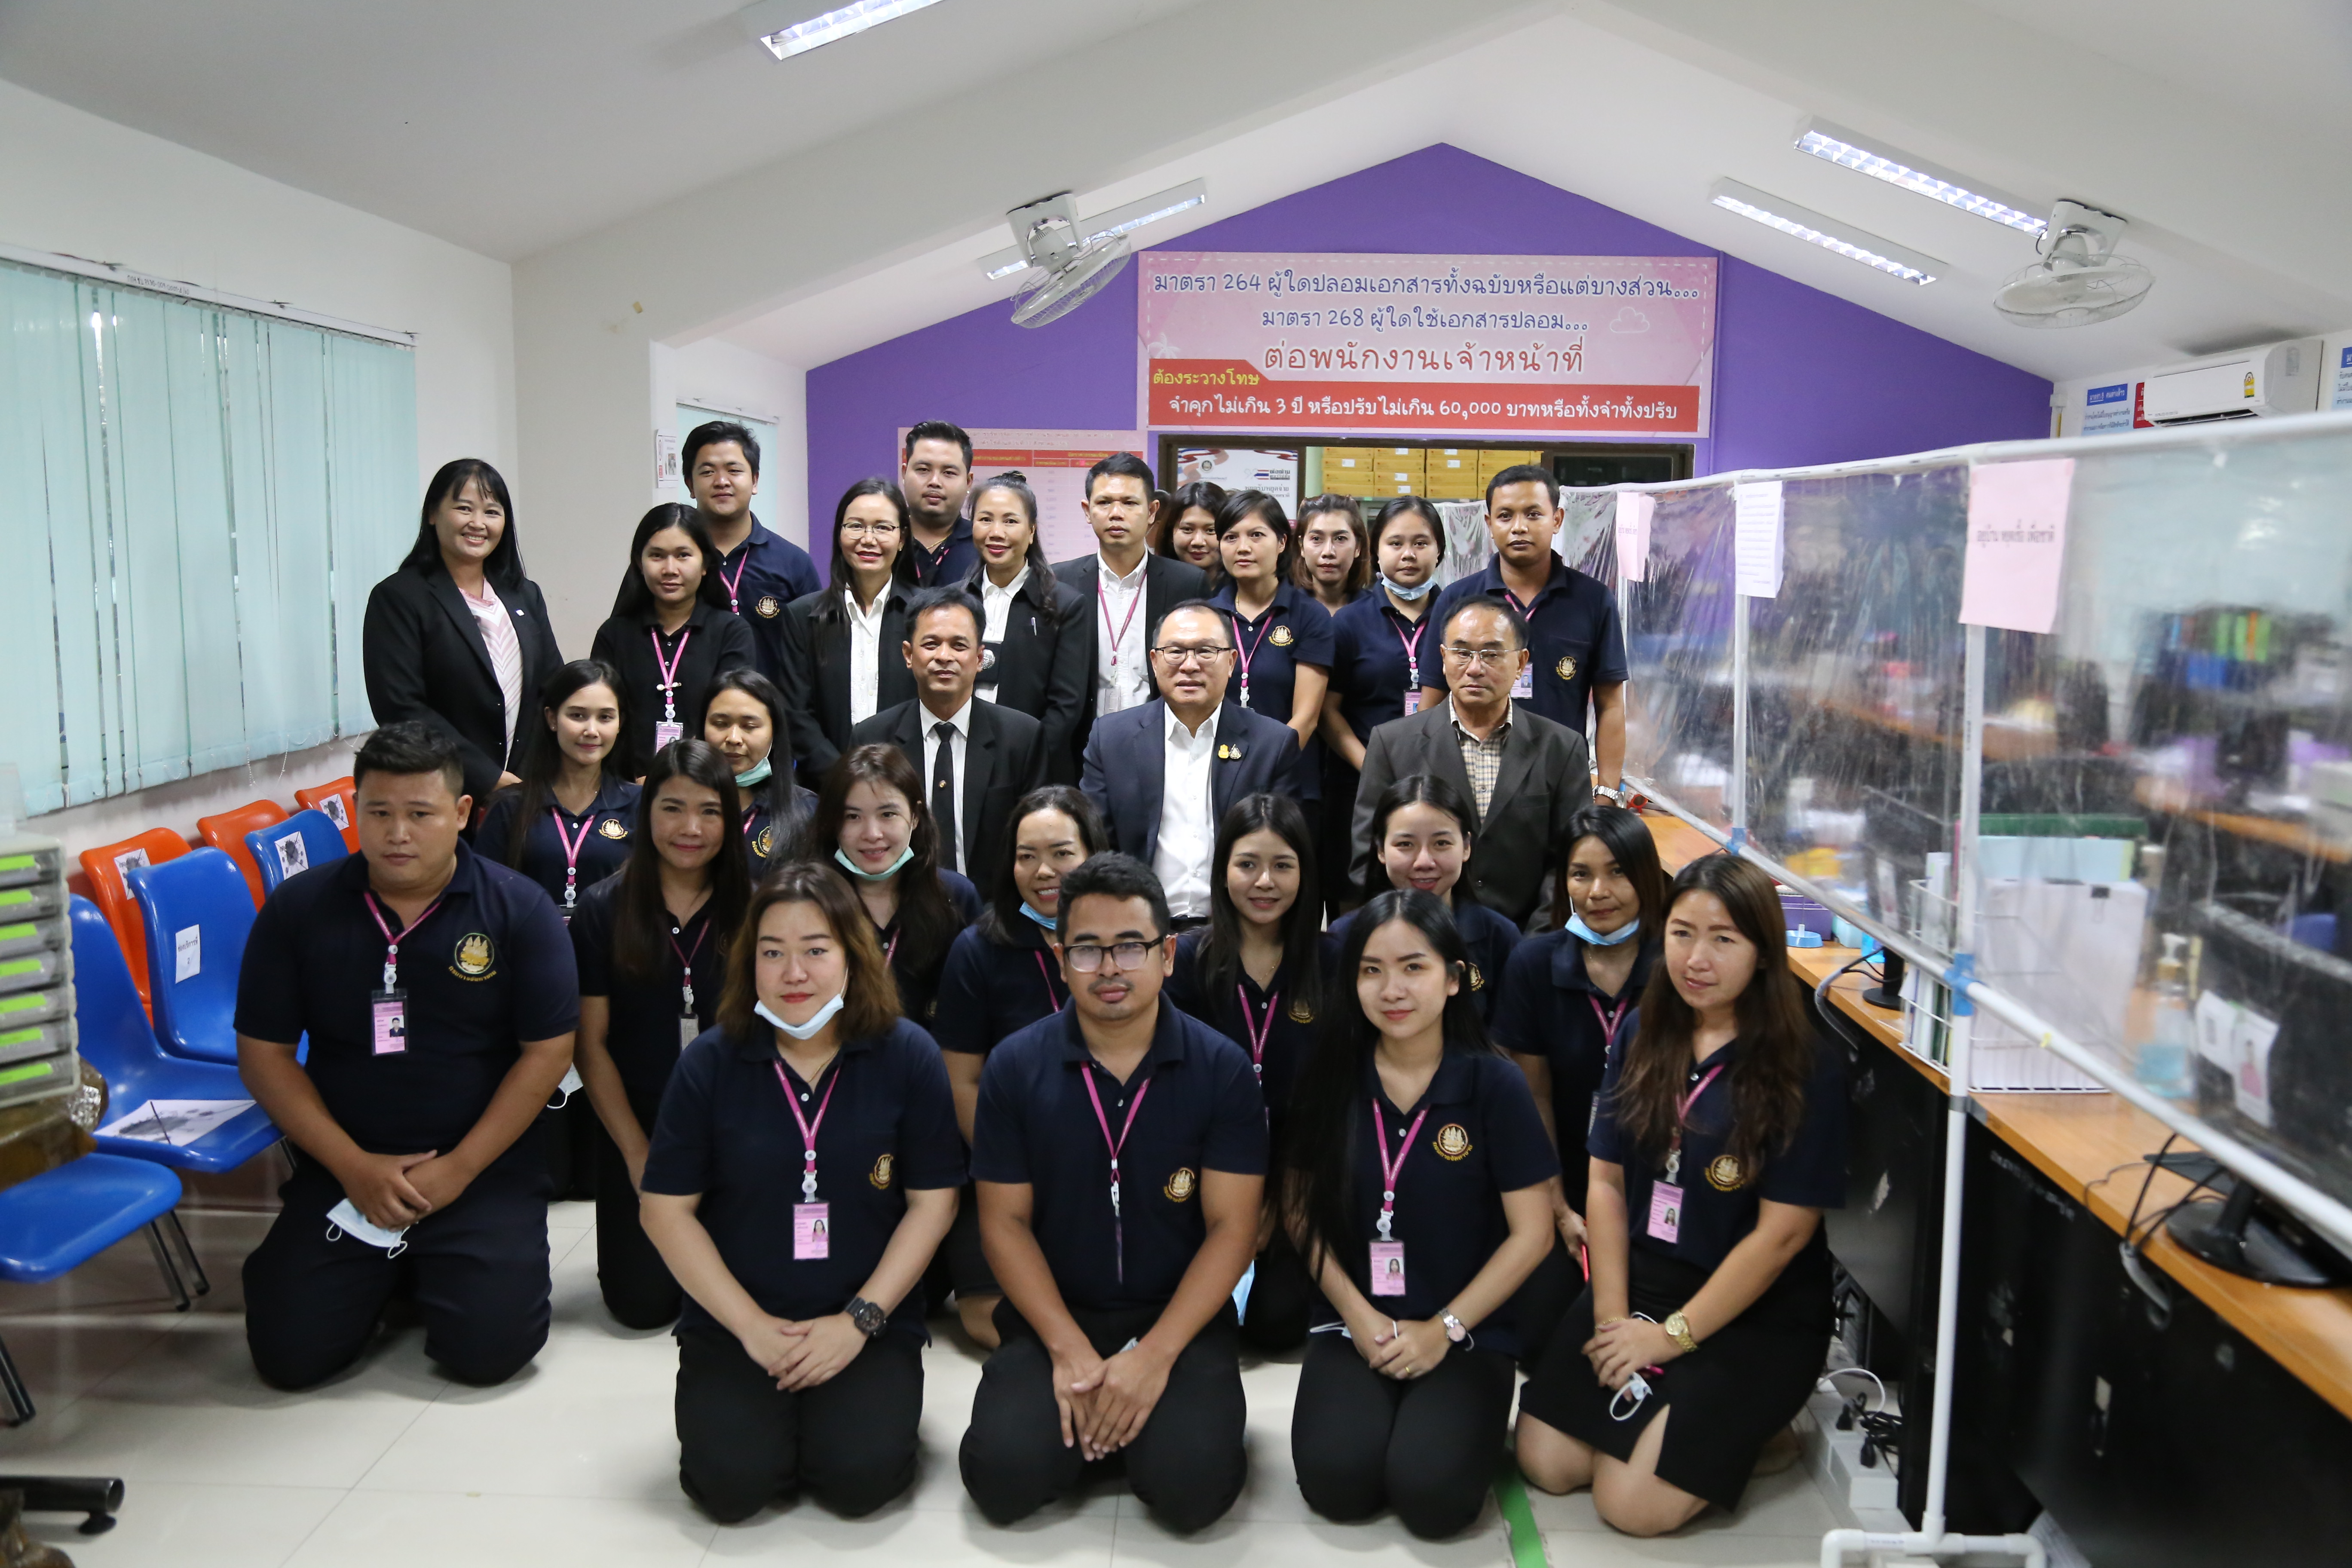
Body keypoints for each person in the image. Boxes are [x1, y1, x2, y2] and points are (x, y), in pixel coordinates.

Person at [233, 722, 577, 1389]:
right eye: (379, 813)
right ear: (356, 810)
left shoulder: (518, 909)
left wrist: (460, 1169)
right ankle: (394, 1268)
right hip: (347, 1166)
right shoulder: (300, 909)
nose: (397, 834)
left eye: (420, 814)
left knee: (489, 1354)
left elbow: (547, 1053)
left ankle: (421, 1267)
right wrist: (353, 1166)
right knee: (289, 1357)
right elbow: (264, 1055)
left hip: (481, 1168)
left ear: (462, 812)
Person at [1515, 856, 1849, 1537]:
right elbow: (1605, 1183)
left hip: (1755, 1310)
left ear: (1763, 953)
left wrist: (1670, 1337)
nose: (1697, 959)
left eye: (1724, 939)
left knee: (1629, 1507)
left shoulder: (1806, 1064)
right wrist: (1613, 1319)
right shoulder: (1643, 1031)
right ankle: (1676, 1426)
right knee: (1548, 1463)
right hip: (1645, 1279)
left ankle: (1764, 1432)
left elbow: (1782, 1237)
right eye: (1682, 933)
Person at [640, 862, 963, 1522]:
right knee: (730, 1489)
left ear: (853, 955)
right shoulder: (710, 1062)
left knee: (859, 1483)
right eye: (772, 953)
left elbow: (934, 1203)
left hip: (866, 1314)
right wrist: (752, 1328)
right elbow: (665, 1211)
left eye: (816, 951)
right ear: (748, 962)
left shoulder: (908, 1055)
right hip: (740, 1317)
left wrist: (859, 1321)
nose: (794, 973)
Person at [959, 854, 1265, 1531]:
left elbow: (1233, 1231)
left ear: (1168, 954)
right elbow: (1004, 1224)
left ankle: (1130, 1429)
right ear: (1058, 957)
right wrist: (1068, 1350)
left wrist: (1153, 1358)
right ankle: (1106, 1427)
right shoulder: (1014, 1067)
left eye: (1131, 946)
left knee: (1192, 1493)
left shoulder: (1222, 1070)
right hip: (1057, 1313)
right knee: (1001, 1480)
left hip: (1177, 1318)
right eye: (1087, 949)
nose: (1109, 969)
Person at [1283, 889, 1557, 1538]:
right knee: (1337, 1485)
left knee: (1433, 1499)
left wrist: (1444, 1328)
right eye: (1371, 970)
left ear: (1454, 978)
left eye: (1414, 967)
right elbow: (1298, 1210)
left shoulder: (1495, 1083)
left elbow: (1533, 1233)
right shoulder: (1329, 1073)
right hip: (1355, 1322)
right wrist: (1356, 1315)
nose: (1392, 990)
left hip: (1468, 1329)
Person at [570, 740, 750, 1329]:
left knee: (745, 1290)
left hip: (737, 1122)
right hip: (641, 1122)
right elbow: (591, 1045)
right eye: (672, 808)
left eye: (709, 811)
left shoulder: (758, 905)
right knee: (640, 1307)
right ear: (646, 813)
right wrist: (636, 1153)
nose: (690, 829)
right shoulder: (603, 908)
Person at [932, 786, 1110, 1348]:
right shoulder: (978, 950)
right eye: (1026, 856)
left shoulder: (1123, 943)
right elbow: (962, 1080)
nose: (1044, 871)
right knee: (986, 1314)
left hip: (1112, 1158)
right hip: (1006, 1165)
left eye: (1062, 853)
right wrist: (1014, 1165)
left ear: (1093, 853)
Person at [1165, 794, 1331, 1351]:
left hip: (1299, 1180)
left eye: (1283, 865)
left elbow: (1336, 1097)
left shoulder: (1333, 963)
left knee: (1275, 1324)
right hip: (1202, 1176)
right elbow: (1173, 1094)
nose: (1265, 882)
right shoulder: (1186, 962)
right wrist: (1233, 1202)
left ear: (1305, 873)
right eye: (1248, 864)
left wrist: (1280, 1199)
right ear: (1222, 870)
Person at [1354, 595, 1592, 930]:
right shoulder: (1392, 744)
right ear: (1443, 658)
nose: (1475, 668)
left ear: (1521, 662)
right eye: (1462, 653)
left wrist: (1533, 945)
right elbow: (1368, 856)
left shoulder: (1562, 748)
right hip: (1420, 935)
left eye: (1492, 655)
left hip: (1526, 938)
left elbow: (1572, 860)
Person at [1080, 602, 1298, 932]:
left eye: (1206, 652)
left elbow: (1284, 854)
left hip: (1238, 930)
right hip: (1140, 931)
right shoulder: (1111, 739)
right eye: (1175, 652)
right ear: (1154, 661)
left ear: (1231, 662)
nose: (1190, 665)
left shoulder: (1273, 744)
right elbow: (1097, 846)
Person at [362, 459, 564, 808]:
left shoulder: (524, 594)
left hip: (525, 790)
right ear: (432, 514)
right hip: (441, 792)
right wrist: (487, 777)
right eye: (464, 508)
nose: (478, 523)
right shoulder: (399, 597)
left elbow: (553, 686)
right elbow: (401, 708)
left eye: (492, 512)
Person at [1424, 465, 1629, 801]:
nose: (1519, 527)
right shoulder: (1457, 600)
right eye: (1505, 516)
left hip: (1559, 784)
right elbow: (1433, 700)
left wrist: (1607, 793)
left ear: (1557, 519)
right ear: (1489, 524)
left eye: (1533, 514)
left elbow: (1610, 705)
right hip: (1469, 782)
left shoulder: (1593, 600)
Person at [850, 587, 1050, 900]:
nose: (944, 657)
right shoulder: (873, 739)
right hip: (901, 906)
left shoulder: (1022, 738)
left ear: (980, 658)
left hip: (993, 912)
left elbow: (1036, 842)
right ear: (908, 655)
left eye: (959, 645)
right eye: (931, 644)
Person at [1321, 498, 1446, 913]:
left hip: (1440, 782)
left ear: (1440, 550)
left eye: (1421, 543)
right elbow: (1328, 711)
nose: (1408, 554)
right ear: (1375, 551)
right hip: (1360, 785)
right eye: (1395, 543)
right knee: (1359, 902)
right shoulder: (1349, 622)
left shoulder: (1457, 616)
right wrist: (1374, 765)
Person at [1051, 453, 1209, 763]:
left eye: (1129, 503)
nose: (1116, 514)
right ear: (1087, 511)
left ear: (1152, 512)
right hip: (1078, 750)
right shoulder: (1058, 581)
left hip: (1165, 748)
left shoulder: (1188, 583)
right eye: (1104, 503)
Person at [814, 743, 982, 1024]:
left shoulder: (956, 896)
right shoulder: (808, 903)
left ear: (915, 816)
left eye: (888, 815)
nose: (872, 834)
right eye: (853, 817)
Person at [1335, 775, 1522, 1023]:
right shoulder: (1344, 936)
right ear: (1380, 849)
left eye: (1441, 843)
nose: (1424, 862)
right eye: (1405, 844)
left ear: (1466, 847)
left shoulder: (1499, 937)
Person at [589, 503, 757, 779]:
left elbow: (730, 716)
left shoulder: (732, 632)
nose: (670, 569)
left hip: (706, 783)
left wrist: (677, 780)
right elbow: (601, 715)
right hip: (624, 787)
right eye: (657, 556)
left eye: (683, 556)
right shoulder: (614, 634)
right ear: (639, 563)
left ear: (705, 564)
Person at [476, 661, 640, 921]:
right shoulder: (510, 806)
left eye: (605, 717)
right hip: (528, 943)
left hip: (611, 944)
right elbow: (484, 897)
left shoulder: (640, 804)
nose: (592, 731)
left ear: (620, 723)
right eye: (578, 716)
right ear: (552, 719)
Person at [781, 479, 916, 787]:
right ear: (839, 534)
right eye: (855, 526)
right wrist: (842, 778)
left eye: (883, 528)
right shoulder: (802, 616)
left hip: (907, 784)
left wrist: (897, 778)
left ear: (902, 539)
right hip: (825, 789)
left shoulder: (925, 615)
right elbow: (796, 713)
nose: (868, 539)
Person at [961, 473, 1090, 783]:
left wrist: (1025, 759)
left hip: (1034, 768)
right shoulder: (953, 602)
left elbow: (1066, 707)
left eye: (1010, 521)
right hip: (960, 756)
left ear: (1031, 530)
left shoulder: (1064, 605)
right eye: (985, 520)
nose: (996, 533)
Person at [1208, 490, 1332, 795]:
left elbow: (1306, 718)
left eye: (1256, 535)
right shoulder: (1207, 616)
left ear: (1281, 543)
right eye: (1231, 537)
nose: (1243, 548)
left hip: (1287, 781)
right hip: (1215, 776)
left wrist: (1261, 773)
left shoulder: (1310, 615)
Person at [680, 420, 820, 687]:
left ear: (755, 481)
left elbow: (818, 652)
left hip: (772, 710)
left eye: (734, 470)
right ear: (690, 485)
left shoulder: (794, 563)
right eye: (708, 472)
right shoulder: (671, 563)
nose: (722, 482)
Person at [703, 668, 815, 874]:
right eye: (720, 724)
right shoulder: (678, 804)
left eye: (749, 726)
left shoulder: (807, 810)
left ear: (774, 732)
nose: (734, 738)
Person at [900, 420, 980, 588]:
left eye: (949, 473)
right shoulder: (883, 540)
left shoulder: (984, 545)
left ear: (968, 482)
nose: (935, 482)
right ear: (904, 473)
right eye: (923, 470)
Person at [1295, 493, 1372, 614]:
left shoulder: (1377, 612)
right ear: (1302, 546)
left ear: (1358, 547)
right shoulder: (1284, 611)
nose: (1328, 552)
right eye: (1316, 539)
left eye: (1340, 539)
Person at [1152, 480, 1227, 576]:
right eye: (1188, 530)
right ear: (1170, 533)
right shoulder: (1150, 581)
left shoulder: (1242, 584)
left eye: (1210, 530)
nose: (1198, 542)